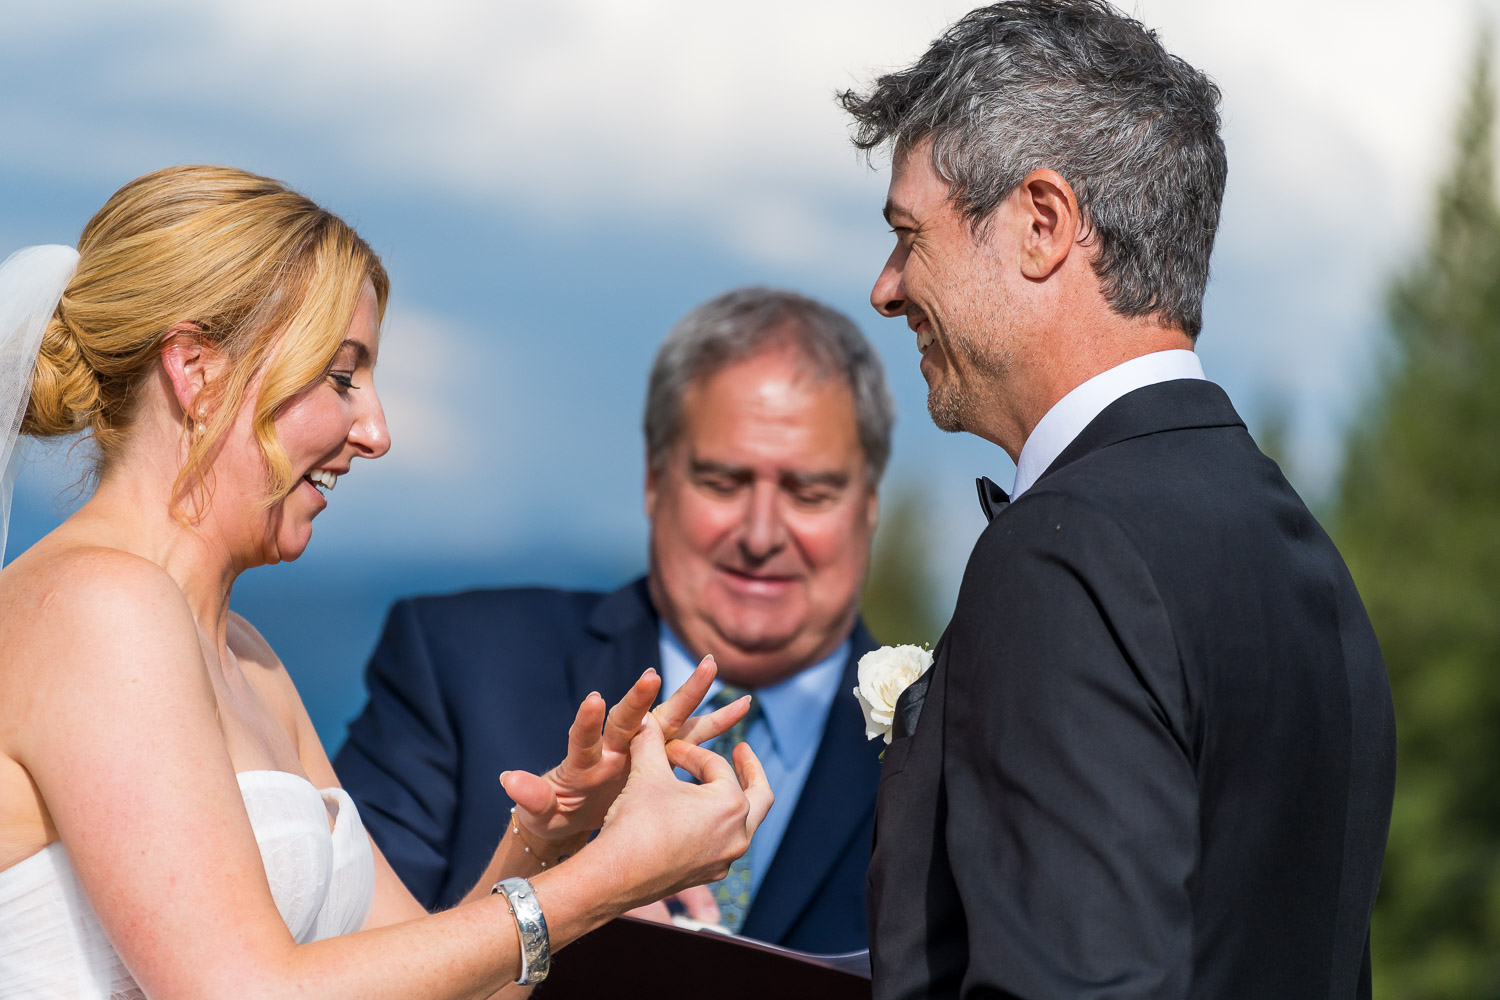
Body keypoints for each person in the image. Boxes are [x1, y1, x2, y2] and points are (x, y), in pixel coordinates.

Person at [0, 165, 772, 1000]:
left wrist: (551, 836)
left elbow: (443, 982)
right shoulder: (98, 607)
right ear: (196, 369)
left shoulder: (247, 656)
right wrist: (606, 883)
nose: (376, 432)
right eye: (340, 376)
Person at [838, 2, 1396, 997]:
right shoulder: (1300, 552)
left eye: (908, 235)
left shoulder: (1068, 556)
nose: (885, 288)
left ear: (1043, 225)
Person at [335, 287, 892, 952]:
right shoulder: (460, 665)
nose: (762, 533)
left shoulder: (953, 740)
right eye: (723, 483)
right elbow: (346, 958)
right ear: (655, 483)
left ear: (868, 506)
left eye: (810, 493)